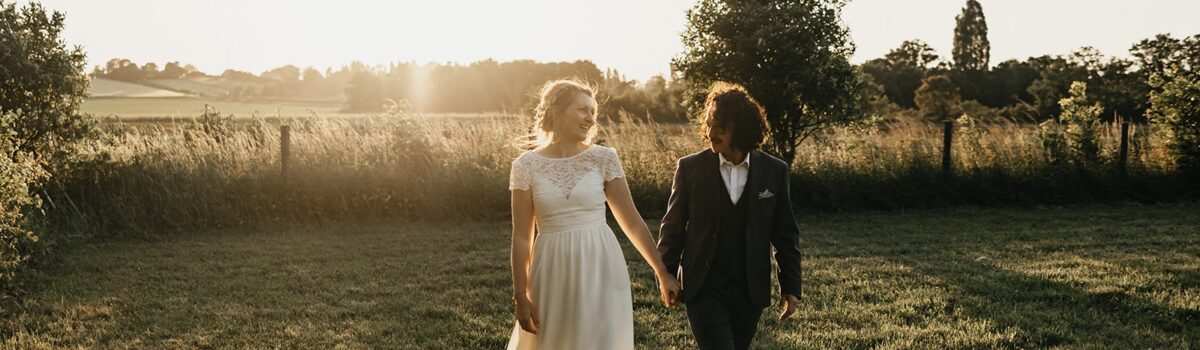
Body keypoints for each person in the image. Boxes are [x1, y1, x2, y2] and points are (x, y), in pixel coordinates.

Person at [507, 79, 682, 349]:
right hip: (551, 269)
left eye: (593, 112)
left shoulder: (603, 158)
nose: (591, 119)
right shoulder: (525, 166)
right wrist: (521, 295)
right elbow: (521, 237)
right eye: (583, 110)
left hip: (600, 265)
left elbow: (632, 221)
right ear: (556, 110)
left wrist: (661, 271)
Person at [657, 82, 803, 350]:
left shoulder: (774, 171)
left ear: (742, 127)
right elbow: (673, 226)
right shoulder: (690, 168)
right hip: (704, 285)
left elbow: (785, 234)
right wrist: (665, 274)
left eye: (720, 126)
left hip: (750, 289)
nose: (711, 133)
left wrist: (790, 286)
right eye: (709, 124)